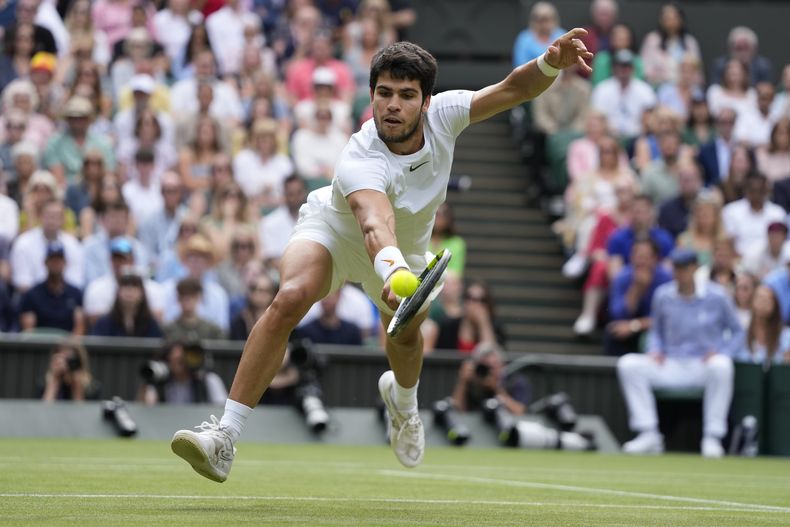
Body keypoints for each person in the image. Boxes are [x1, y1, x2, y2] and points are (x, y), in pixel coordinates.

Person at [170, 35, 594, 482]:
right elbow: (374, 224)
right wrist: (393, 270)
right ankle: (225, 436)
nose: (393, 105)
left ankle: (404, 407)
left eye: (407, 95)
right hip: (336, 234)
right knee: (290, 297)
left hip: (404, 251)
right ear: (371, 95)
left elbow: (512, 89)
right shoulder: (360, 156)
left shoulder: (447, 116)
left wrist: (549, 64)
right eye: (384, 93)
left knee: (407, 339)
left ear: (426, 102)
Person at [617, 247, 742, 458]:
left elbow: (737, 331)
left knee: (722, 365)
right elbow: (656, 331)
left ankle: (712, 437)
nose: (679, 272)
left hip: (703, 366)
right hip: (671, 364)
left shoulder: (718, 296)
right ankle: (649, 434)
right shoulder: (662, 295)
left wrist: (722, 351)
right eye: (676, 267)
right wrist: (655, 349)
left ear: (695, 268)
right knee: (628, 364)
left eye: (684, 268)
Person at [605, 237, 672, 356]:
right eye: (637, 256)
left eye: (646, 257)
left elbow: (667, 318)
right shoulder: (622, 277)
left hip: (654, 329)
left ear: (655, 259)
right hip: (628, 326)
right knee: (613, 332)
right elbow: (618, 314)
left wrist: (634, 326)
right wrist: (636, 289)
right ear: (631, 257)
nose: (641, 261)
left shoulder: (666, 280)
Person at [18, 240, 85, 335]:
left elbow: (79, 329)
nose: (56, 264)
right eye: (52, 260)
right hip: (39, 347)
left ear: (65, 263)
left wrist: (66, 348)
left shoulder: (75, 294)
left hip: (68, 347)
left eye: (59, 260)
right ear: (45, 262)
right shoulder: (32, 295)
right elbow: (29, 332)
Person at [140, 341, 228, 405]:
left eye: (183, 360)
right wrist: (149, 381)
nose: (182, 365)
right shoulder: (158, 383)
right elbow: (147, 408)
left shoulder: (209, 380)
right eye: (177, 361)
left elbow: (220, 410)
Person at [91, 270, 164, 338]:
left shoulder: (151, 324)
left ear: (142, 293)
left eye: (134, 286)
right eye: (125, 286)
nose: (129, 291)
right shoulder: (104, 323)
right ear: (118, 292)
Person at [259, 174, 307, 269]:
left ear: (305, 193)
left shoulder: (317, 217)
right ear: (284, 195)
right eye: (291, 194)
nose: (296, 197)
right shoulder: (269, 222)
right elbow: (272, 259)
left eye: (299, 193)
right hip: (282, 274)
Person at [735, 285, 790, 365]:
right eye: (760, 298)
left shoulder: (785, 335)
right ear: (752, 302)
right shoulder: (742, 333)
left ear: (774, 304)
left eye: (768, 299)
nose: (763, 302)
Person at [164, 277, 226, 343]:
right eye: (183, 297)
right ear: (178, 299)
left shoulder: (213, 331)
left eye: (192, 297)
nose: (187, 301)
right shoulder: (168, 330)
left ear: (199, 298)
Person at [293, 290, 363, 346]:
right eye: (323, 296)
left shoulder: (352, 332)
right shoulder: (305, 332)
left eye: (329, 296)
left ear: (339, 296)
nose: (326, 300)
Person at [430, 203, 467, 277]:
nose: (438, 218)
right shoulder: (420, 242)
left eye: (443, 214)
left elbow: (456, 273)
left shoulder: (457, 243)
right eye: (436, 214)